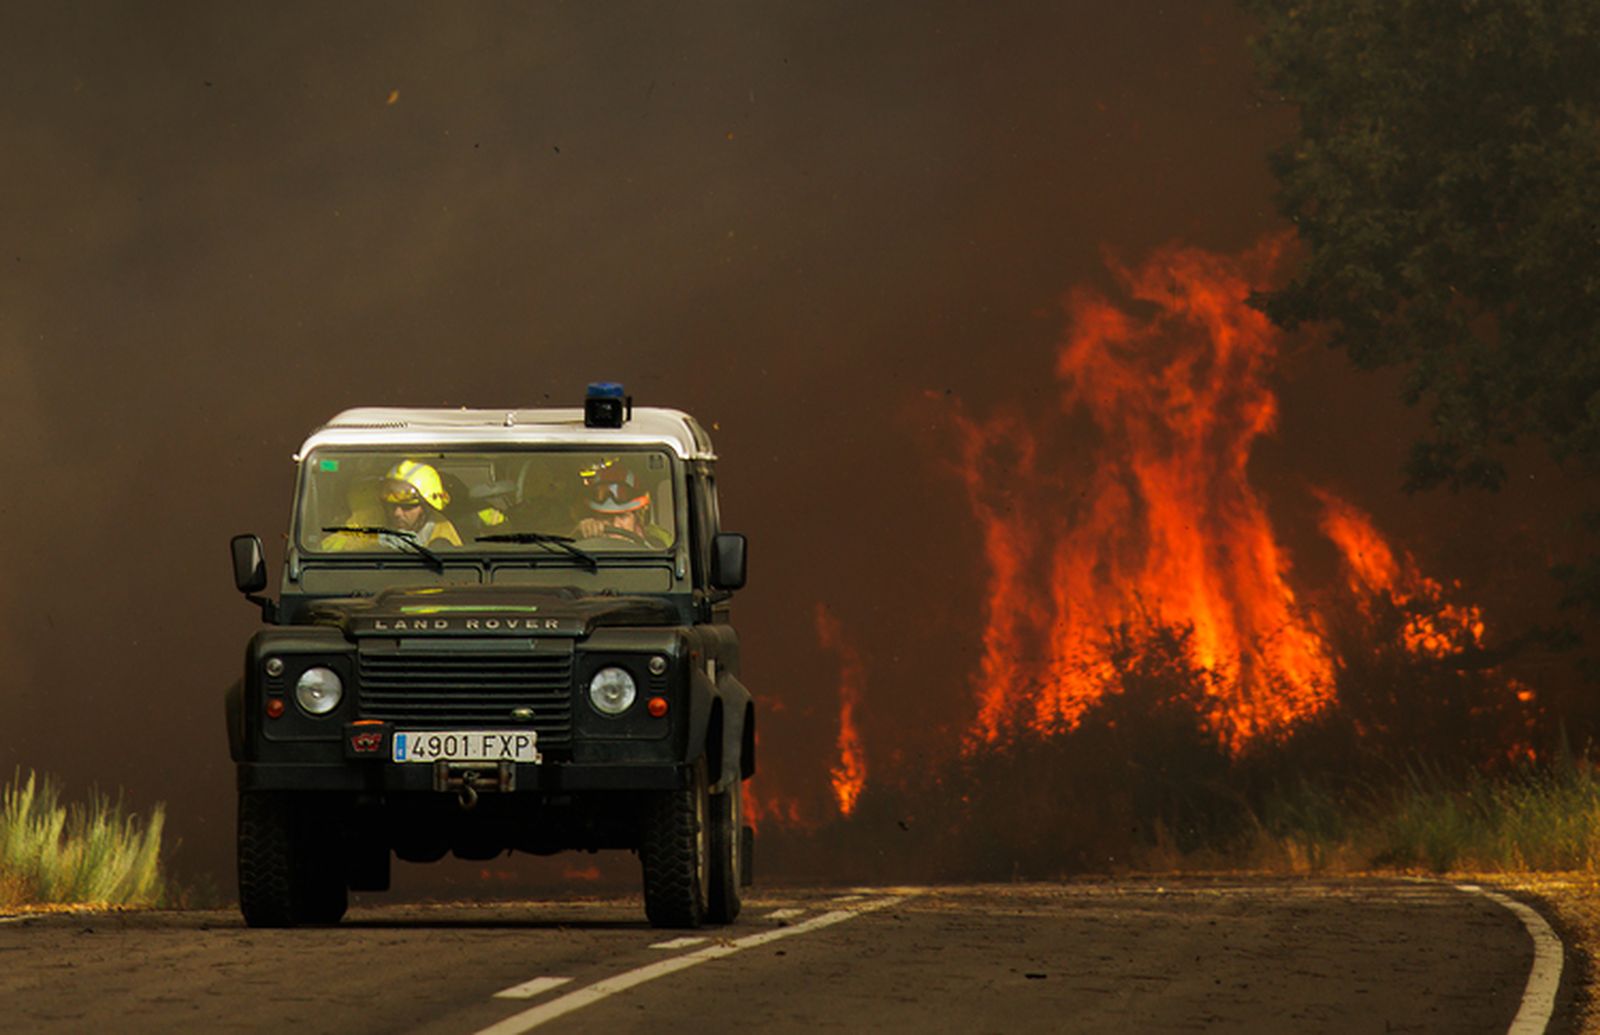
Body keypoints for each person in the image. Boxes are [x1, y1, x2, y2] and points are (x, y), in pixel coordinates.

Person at [322, 459, 462, 550]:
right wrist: (376, 541)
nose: (397, 513)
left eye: (407, 507)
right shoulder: (368, 518)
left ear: (426, 508)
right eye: (391, 505)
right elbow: (327, 547)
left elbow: (455, 573)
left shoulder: (441, 528)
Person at [573, 459, 671, 547]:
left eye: (622, 516)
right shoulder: (587, 542)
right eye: (606, 517)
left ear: (637, 517)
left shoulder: (658, 542)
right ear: (595, 517)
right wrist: (581, 534)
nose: (615, 525)